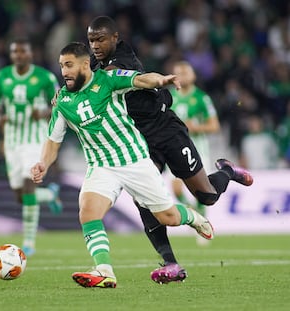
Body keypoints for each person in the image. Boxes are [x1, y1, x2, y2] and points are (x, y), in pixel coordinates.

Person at [31, 42, 214, 289]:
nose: (64, 71)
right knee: (88, 212)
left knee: (168, 216)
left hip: (134, 160)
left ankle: (193, 217)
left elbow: (140, 80)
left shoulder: (107, 80)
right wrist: (43, 163)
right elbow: (53, 141)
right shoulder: (63, 101)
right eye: (62, 66)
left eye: (69, 65)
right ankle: (104, 270)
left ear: (85, 64)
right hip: (101, 165)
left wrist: (162, 80)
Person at [86, 15, 253, 284]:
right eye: (91, 40)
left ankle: (228, 172)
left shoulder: (122, 58)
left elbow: (121, 78)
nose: (95, 45)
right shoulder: (95, 65)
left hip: (166, 129)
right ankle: (171, 263)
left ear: (115, 38)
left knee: (206, 196)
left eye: (101, 39)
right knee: (142, 198)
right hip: (138, 139)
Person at [0, 38, 63, 257]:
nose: (19, 55)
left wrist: (43, 113)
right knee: (20, 195)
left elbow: (60, 102)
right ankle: (49, 195)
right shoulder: (2, 77)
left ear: (30, 54)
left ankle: (29, 242)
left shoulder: (44, 77)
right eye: (15, 52)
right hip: (12, 141)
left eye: (23, 51)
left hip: (35, 140)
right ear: (11, 54)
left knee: (30, 187)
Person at [170, 61, 221, 245]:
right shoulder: (170, 97)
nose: (182, 76)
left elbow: (214, 125)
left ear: (193, 76)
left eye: (185, 72)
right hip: (174, 147)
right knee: (175, 188)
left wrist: (196, 127)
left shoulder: (201, 98)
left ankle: (203, 225)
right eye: (178, 73)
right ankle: (193, 215)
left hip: (197, 148)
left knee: (201, 191)